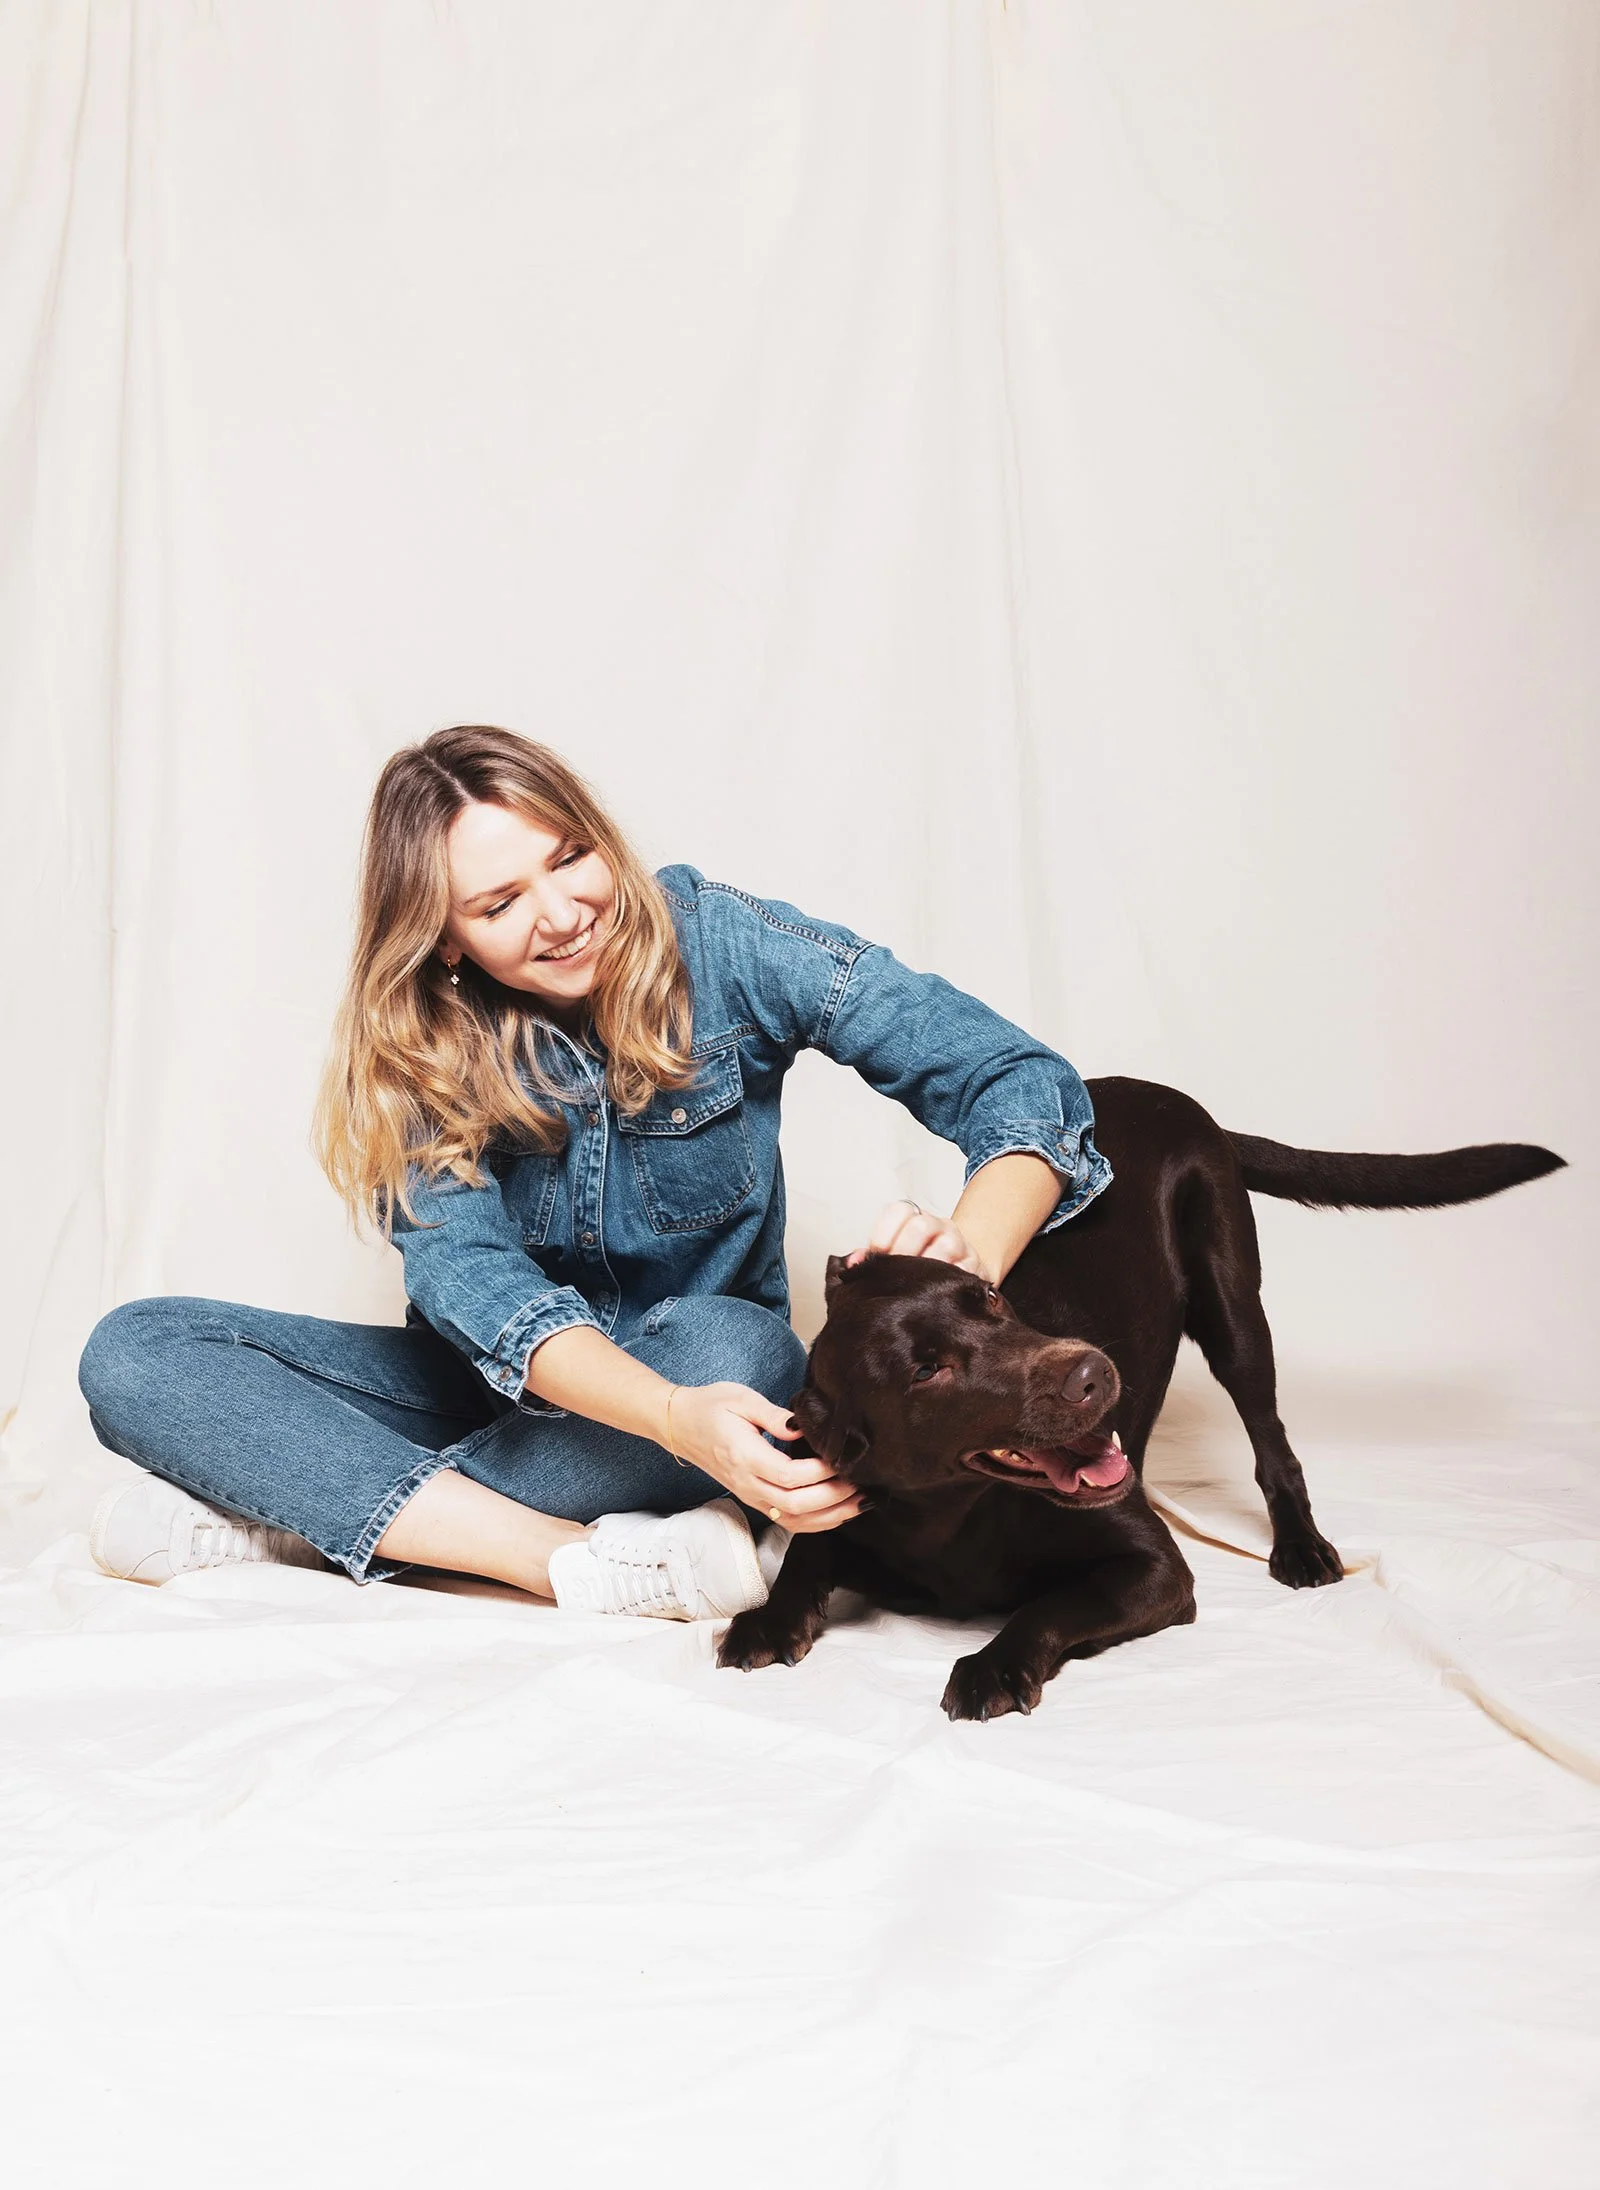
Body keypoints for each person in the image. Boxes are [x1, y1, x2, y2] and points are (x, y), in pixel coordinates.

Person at [79, 726, 1112, 1622]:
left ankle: (299, 1521)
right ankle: (550, 1559)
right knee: (137, 1350)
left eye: (570, 857)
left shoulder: (725, 942)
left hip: (698, 1383)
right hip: (501, 1396)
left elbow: (1014, 1077)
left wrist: (969, 1254)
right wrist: (665, 1422)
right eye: (498, 903)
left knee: (744, 1348)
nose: (563, 912)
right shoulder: (413, 1050)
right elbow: (474, 1288)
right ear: (442, 939)